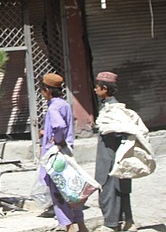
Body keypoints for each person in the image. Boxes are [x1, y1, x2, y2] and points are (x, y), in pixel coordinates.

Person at [39, 73, 89, 232]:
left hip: (56, 155)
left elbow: (59, 126)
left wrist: (57, 139)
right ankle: (81, 225)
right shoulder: (64, 104)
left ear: (47, 90)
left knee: (58, 193)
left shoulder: (53, 107)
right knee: (71, 191)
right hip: (67, 153)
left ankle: (69, 227)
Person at [94, 71, 143, 232]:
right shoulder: (111, 108)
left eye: (97, 87)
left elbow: (115, 131)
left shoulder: (113, 110)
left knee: (109, 189)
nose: (95, 90)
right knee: (122, 189)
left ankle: (112, 224)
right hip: (118, 157)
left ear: (104, 89)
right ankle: (128, 221)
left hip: (110, 157)